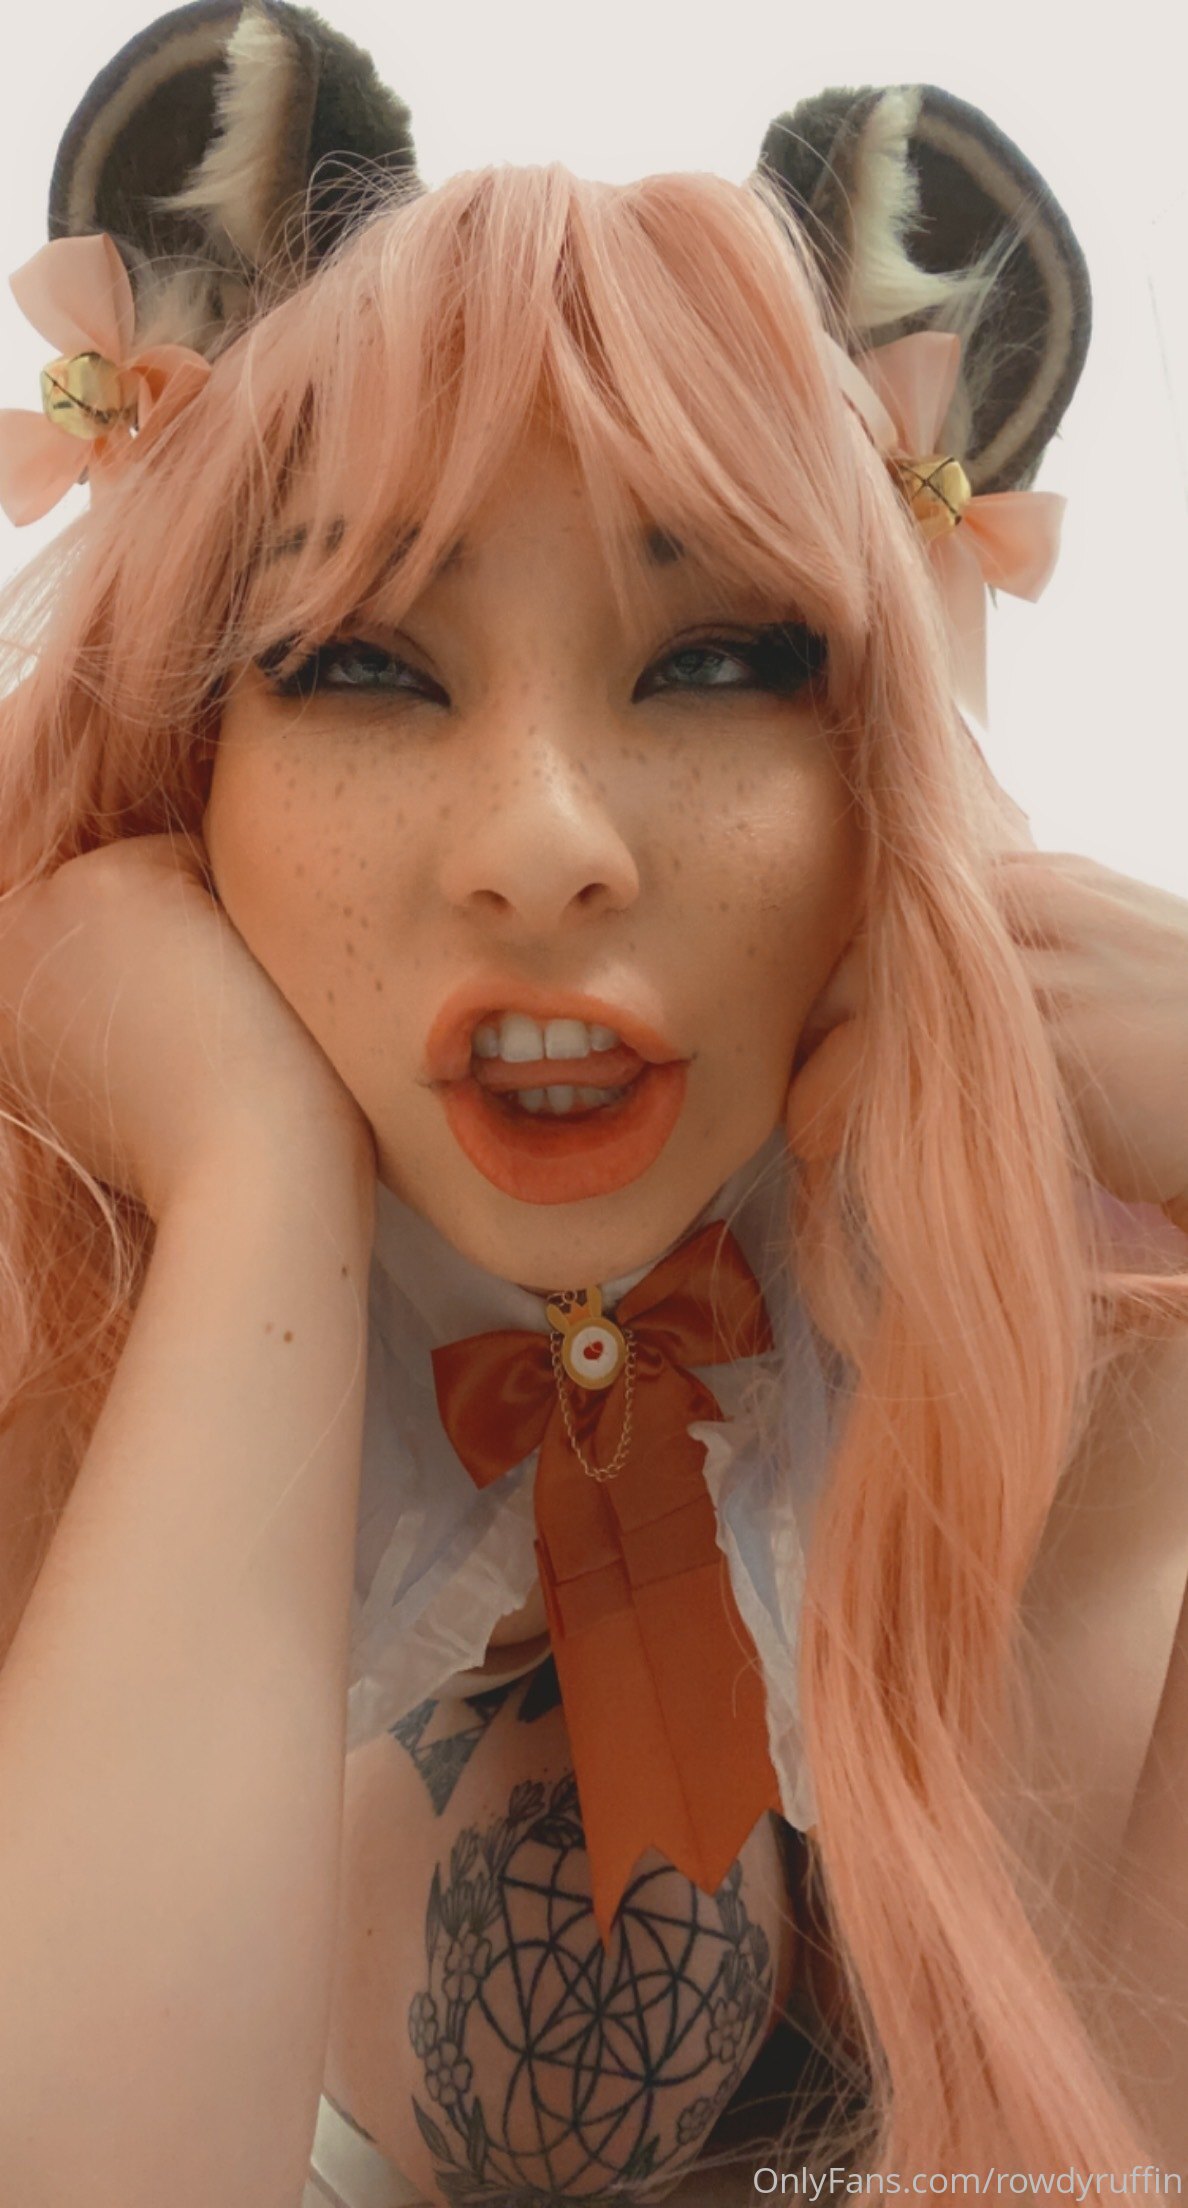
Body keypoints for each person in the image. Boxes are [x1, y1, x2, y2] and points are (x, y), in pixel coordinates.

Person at [0, 3, 1186, 2203]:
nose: (546, 841)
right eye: (363, 663)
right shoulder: (55, 1309)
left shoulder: (1076, 1343)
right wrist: (251, 1183)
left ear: (888, 767)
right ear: (189, 757)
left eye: (723, 660)